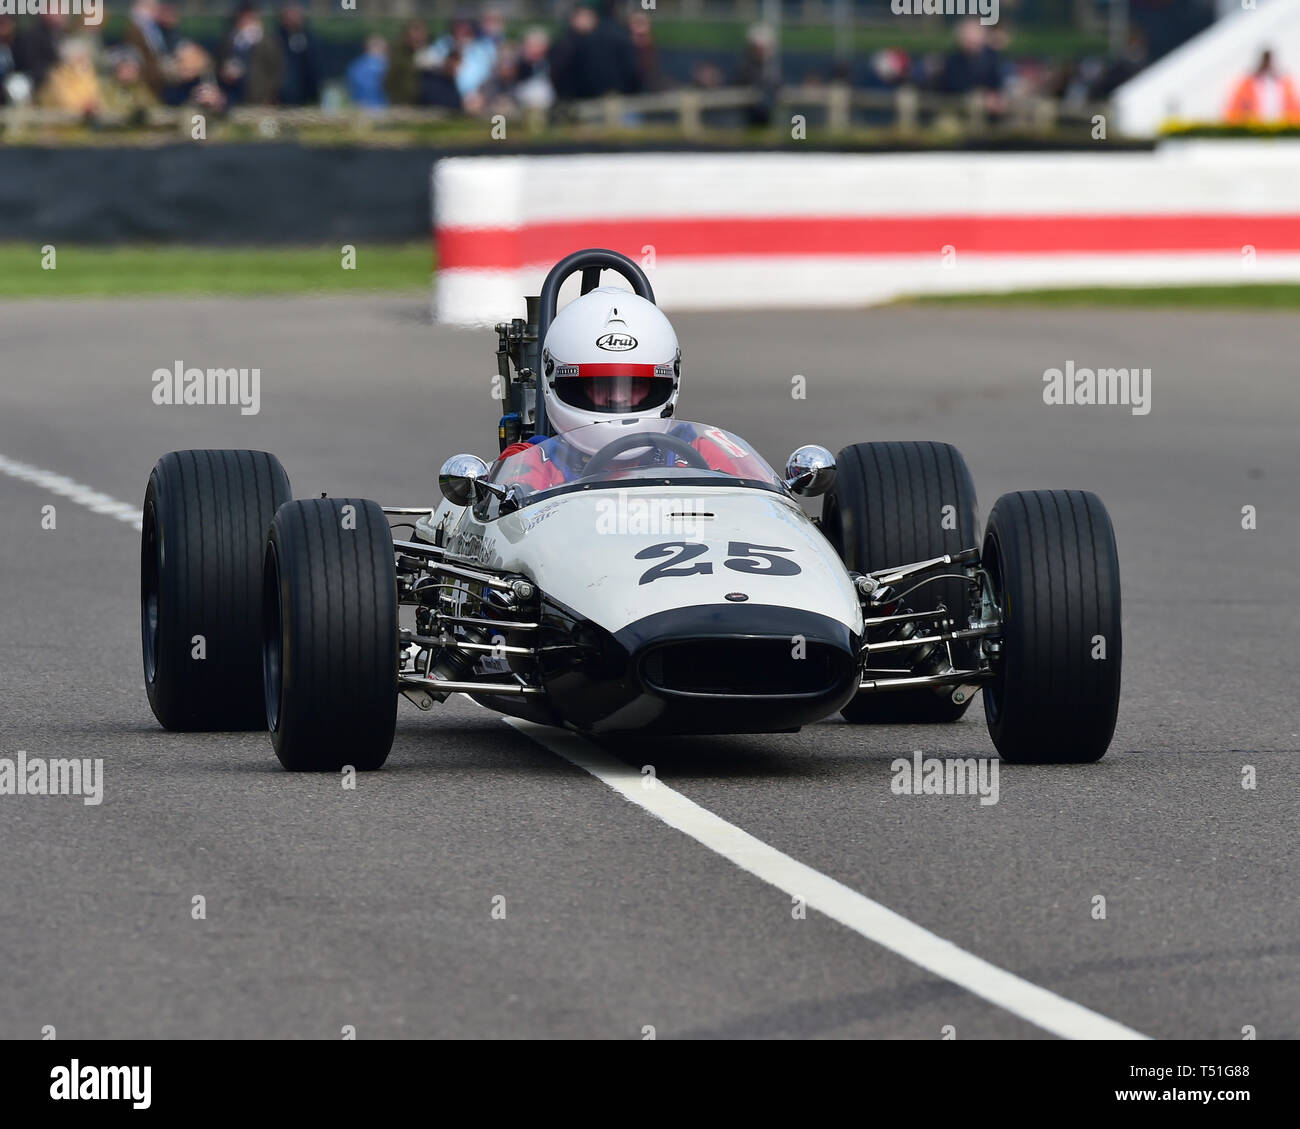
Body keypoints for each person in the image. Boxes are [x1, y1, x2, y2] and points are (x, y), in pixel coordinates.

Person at [495, 288, 749, 492]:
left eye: (635, 385)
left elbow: (758, 510)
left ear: (666, 383)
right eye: (599, 385)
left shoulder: (703, 447)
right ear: (561, 384)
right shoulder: (533, 461)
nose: (618, 396)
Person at [1225, 48, 1300, 125]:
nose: (1268, 64)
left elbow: (1294, 108)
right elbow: (1235, 108)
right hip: (1253, 126)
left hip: (1280, 125)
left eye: (1269, 61)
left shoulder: (1284, 83)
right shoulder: (1248, 83)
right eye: (1266, 61)